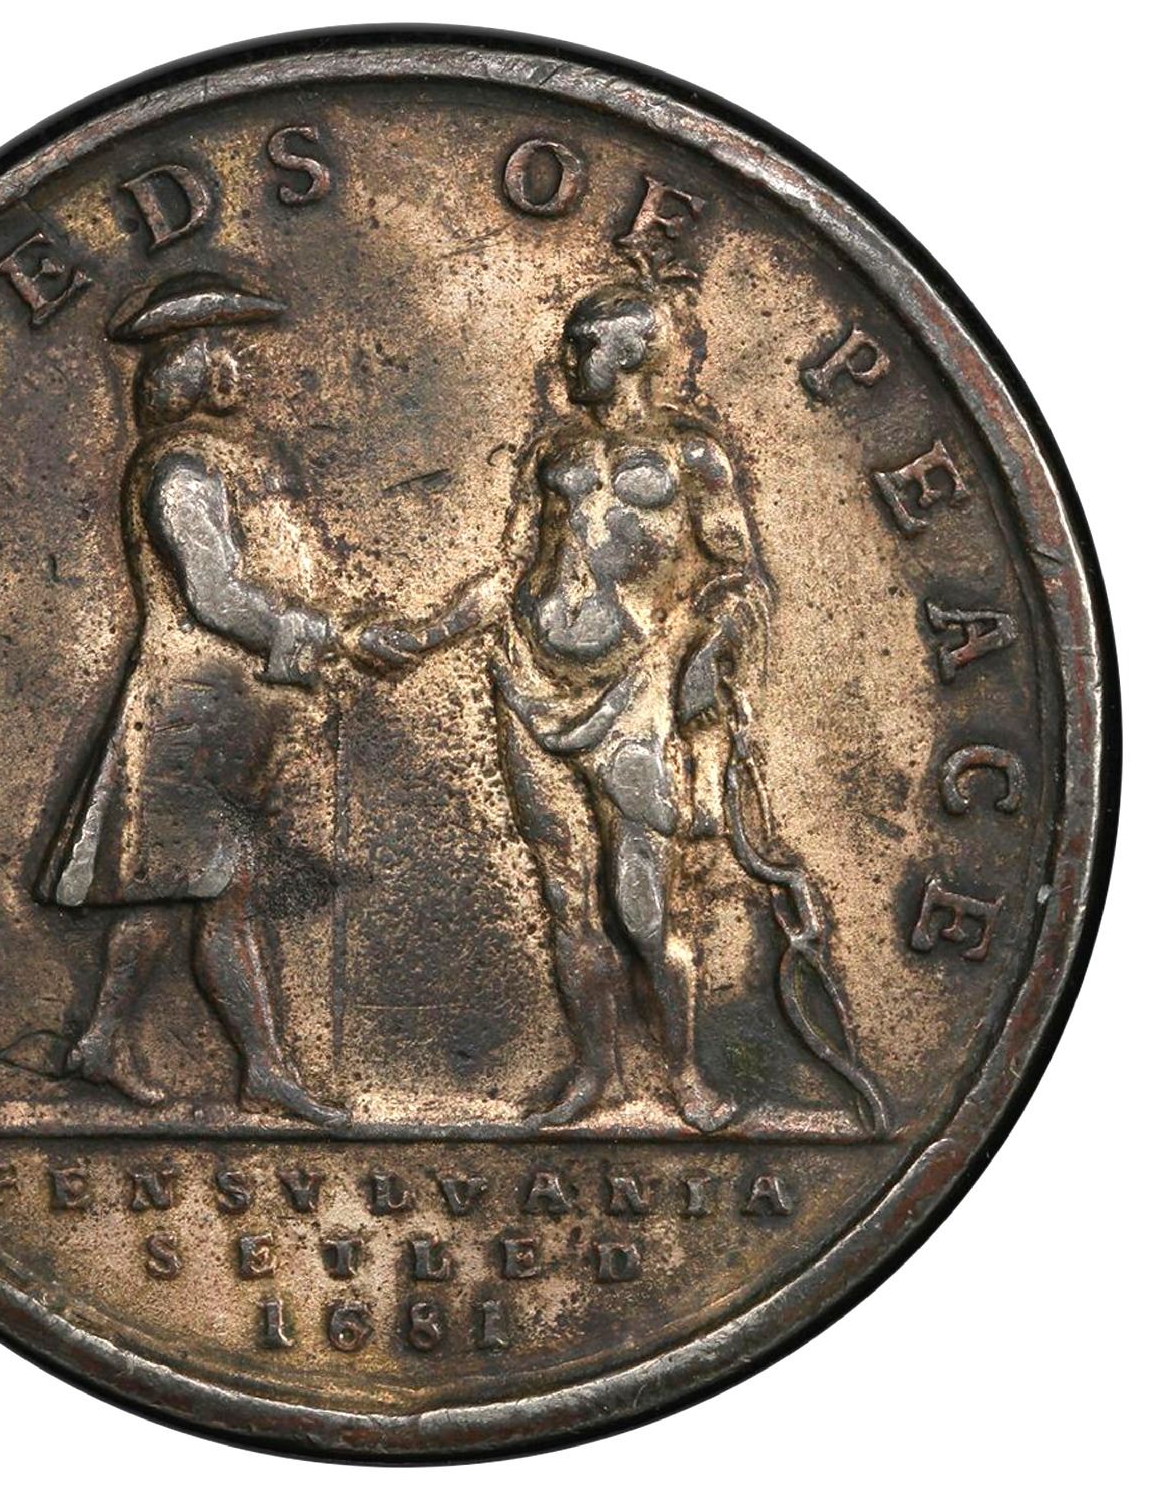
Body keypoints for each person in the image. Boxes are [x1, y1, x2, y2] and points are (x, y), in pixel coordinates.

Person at [362, 282, 888, 1134]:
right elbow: (510, 570)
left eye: (585, 344)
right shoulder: (553, 449)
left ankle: (683, 1078)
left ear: (633, 350)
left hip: (636, 686)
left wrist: (709, 650)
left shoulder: (691, 455)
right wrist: (425, 634)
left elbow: (738, 575)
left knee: (644, 904)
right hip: (527, 677)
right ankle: (594, 1074)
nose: (568, 360)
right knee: (564, 892)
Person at [37, 273, 345, 1126]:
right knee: (221, 886)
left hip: (209, 701)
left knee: (169, 885)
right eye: (226, 351)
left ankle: (100, 1042)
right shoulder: (179, 468)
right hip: (186, 705)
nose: (239, 367)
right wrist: (301, 627)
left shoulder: (196, 461)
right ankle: (263, 1069)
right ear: (191, 364)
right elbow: (212, 594)